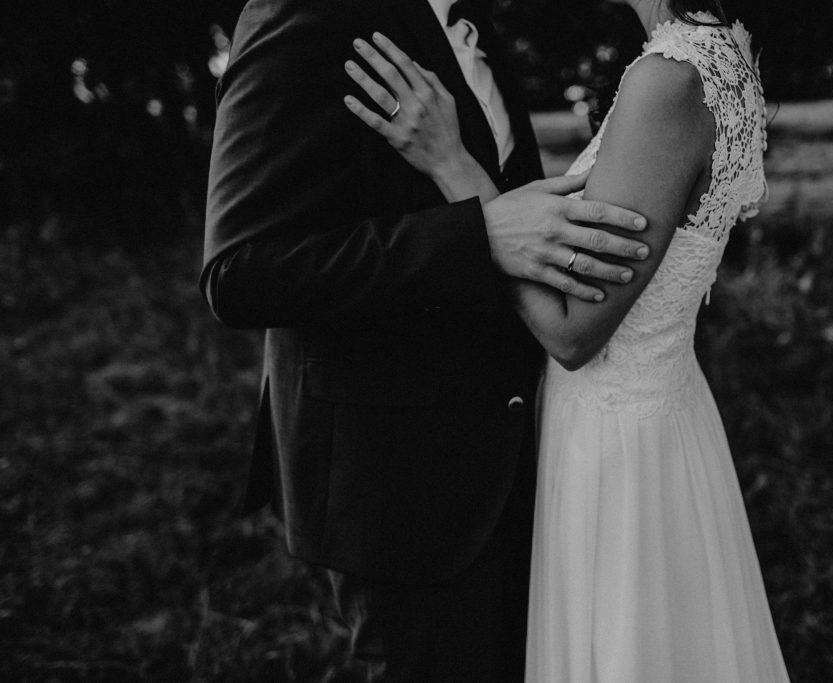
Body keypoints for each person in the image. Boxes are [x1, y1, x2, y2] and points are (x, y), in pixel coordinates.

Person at [200, 0, 655, 680]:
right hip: (400, 484)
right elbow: (237, 272)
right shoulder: (304, 13)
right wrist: (477, 237)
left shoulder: (473, 22)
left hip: (517, 452)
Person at [343, 0, 791, 680]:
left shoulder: (669, 79)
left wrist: (449, 162)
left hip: (616, 451)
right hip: (658, 415)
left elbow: (572, 329)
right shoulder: (718, 52)